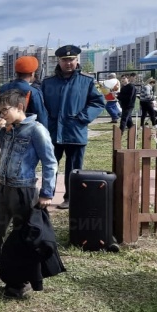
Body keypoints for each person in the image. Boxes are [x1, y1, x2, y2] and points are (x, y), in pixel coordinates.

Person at [0, 89, 57, 298]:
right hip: (3, 188)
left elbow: (50, 162)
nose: (2, 114)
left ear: (20, 107)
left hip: (24, 189)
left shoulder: (35, 130)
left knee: (23, 235)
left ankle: (21, 279)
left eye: (5, 110)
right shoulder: (4, 128)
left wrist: (47, 192)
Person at [40, 45, 105, 210]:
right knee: (50, 165)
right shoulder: (48, 82)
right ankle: (46, 196)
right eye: (64, 60)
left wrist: (83, 118)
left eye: (71, 59)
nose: (68, 63)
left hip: (75, 132)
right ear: (59, 61)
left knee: (74, 169)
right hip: (52, 132)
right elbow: (40, 105)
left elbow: (98, 102)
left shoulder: (87, 81)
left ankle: (71, 198)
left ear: (77, 60)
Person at [0, 56, 48, 130]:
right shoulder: (33, 92)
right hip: (26, 133)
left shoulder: (1, 89)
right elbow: (41, 117)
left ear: (16, 72)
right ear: (32, 73)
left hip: (5, 131)